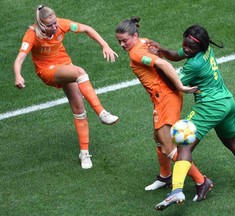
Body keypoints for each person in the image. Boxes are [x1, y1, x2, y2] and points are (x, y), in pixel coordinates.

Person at [147, 24, 235, 211]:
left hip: (209, 106)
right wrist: (161, 50)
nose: (186, 49)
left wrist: (153, 62)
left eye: (190, 47)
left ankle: (176, 190)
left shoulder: (195, 64)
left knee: (184, 144)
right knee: (231, 140)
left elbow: (173, 83)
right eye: (185, 44)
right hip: (227, 102)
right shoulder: (204, 50)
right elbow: (177, 55)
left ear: (200, 47)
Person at [115, 17, 213, 201]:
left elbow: (163, 64)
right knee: (158, 139)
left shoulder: (136, 53)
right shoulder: (143, 42)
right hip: (164, 97)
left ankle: (202, 181)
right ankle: (165, 176)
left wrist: (180, 86)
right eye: (119, 41)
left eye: (125, 40)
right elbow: (156, 52)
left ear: (134, 35)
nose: (121, 44)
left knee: (169, 146)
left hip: (166, 99)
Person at [13, 5, 119, 169]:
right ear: (41, 25)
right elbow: (19, 59)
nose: (54, 27)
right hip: (47, 71)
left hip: (64, 66)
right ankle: (102, 113)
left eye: (55, 23)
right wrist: (18, 75)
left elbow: (86, 28)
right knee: (80, 72)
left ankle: (84, 154)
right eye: (49, 25)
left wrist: (105, 45)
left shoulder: (61, 24)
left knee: (79, 108)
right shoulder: (32, 35)